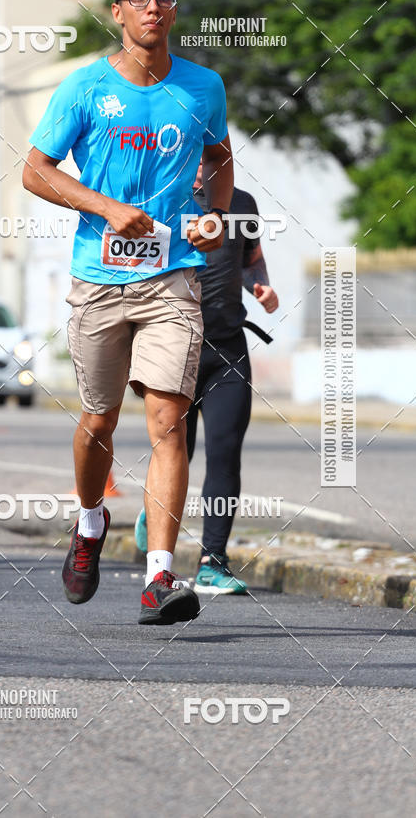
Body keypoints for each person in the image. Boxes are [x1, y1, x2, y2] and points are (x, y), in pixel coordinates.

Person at [23, 0, 234, 624]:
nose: (153, 8)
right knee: (97, 422)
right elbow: (34, 172)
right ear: (117, 12)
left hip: (173, 279)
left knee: (171, 423)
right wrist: (106, 207)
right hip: (99, 282)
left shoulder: (204, 87)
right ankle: (90, 524)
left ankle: (160, 576)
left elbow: (221, 160)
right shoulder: (84, 88)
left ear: (175, 10)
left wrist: (212, 216)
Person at [135, 162, 279, 594]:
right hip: (174, 345)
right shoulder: (157, 197)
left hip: (228, 347)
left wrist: (261, 287)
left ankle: (212, 562)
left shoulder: (242, 203)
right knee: (178, 451)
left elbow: (252, 259)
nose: (203, 164)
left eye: (211, 152)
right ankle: (155, 512)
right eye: (195, 151)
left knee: (224, 452)